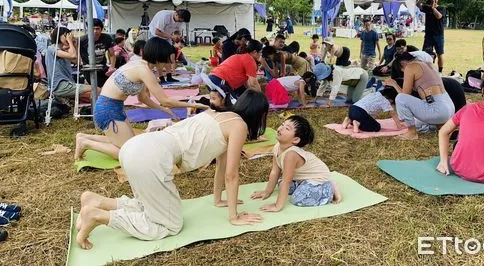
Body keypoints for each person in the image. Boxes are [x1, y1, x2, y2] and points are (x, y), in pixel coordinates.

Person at [75, 90, 269, 250]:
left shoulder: (217, 113)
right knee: (169, 225)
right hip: (152, 156)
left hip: (137, 146)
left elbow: (222, 165)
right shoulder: (239, 126)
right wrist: (234, 217)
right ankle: (98, 215)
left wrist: (218, 200)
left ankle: (96, 201)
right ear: (259, 114)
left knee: (150, 205)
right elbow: (232, 174)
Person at [74, 37, 203, 161]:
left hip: (114, 108)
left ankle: (83, 137)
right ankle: (86, 143)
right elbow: (165, 100)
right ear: (158, 58)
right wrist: (198, 105)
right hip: (107, 110)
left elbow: (143, 98)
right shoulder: (143, 70)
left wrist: (164, 109)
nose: (167, 65)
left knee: (131, 141)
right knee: (129, 152)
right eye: (166, 61)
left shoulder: (142, 67)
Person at [250, 115, 341, 211]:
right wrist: (267, 192)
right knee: (281, 185)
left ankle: (329, 188)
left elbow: (287, 181)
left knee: (297, 199)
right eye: (282, 124)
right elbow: (275, 172)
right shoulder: (277, 147)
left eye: (287, 128)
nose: (281, 128)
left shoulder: (291, 154)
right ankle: (303, 186)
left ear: (296, 140)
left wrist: (277, 206)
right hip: (302, 178)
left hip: (317, 178)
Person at [384, 51, 455, 140]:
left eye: (402, 70)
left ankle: (411, 133)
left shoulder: (410, 66)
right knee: (419, 120)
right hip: (450, 109)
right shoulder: (428, 64)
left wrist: (394, 84)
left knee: (400, 98)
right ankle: (440, 126)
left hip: (438, 110)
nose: (403, 72)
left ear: (402, 64)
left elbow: (405, 95)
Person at [45, 27, 95, 102]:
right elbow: (73, 56)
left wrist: (75, 45)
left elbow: (78, 61)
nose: (68, 37)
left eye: (68, 35)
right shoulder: (52, 48)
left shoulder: (64, 51)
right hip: (60, 86)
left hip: (67, 85)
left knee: (91, 96)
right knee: (96, 90)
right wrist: (70, 42)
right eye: (65, 35)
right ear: (58, 36)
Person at [148, 9, 190, 83]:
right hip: (155, 35)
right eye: (180, 20)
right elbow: (157, 32)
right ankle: (160, 77)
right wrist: (171, 37)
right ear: (176, 15)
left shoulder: (180, 19)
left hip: (167, 35)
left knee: (168, 56)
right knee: (158, 57)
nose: (180, 22)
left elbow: (177, 31)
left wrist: (178, 37)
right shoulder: (165, 16)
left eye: (181, 21)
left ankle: (169, 76)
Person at [78, 18, 116, 87]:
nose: (95, 31)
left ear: (101, 29)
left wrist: (112, 67)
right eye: (93, 29)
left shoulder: (107, 38)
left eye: (97, 28)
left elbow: (112, 54)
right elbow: (75, 55)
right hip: (88, 69)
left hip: (102, 67)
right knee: (96, 88)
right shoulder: (82, 40)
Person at [417, 0, 446, 73]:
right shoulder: (427, 7)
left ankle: (440, 71)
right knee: (425, 53)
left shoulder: (442, 8)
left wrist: (433, 7)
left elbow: (439, 16)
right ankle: (427, 71)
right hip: (428, 35)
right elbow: (417, 3)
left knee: (440, 54)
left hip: (438, 35)